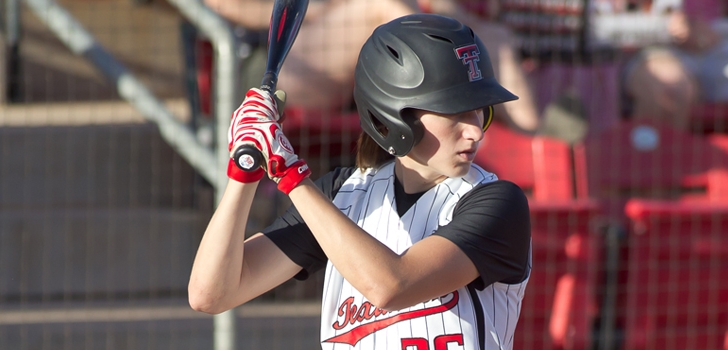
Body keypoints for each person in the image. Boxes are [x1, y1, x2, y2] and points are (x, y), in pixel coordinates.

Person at [188, 13, 532, 350]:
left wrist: (289, 173)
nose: (474, 130)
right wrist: (245, 168)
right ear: (395, 116)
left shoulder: (498, 204)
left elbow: (390, 286)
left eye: (479, 111)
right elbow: (211, 293)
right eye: (455, 112)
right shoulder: (344, 195)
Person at [200, 0, 542, 134]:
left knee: (494, 36)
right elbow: (228, 5)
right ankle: (457, 95)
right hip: (275, 63)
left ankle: (537, 137)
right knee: (379, 5)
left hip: (352, 47)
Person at [620, 0, 728, 130]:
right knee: (669, 92)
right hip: (654, 47)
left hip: (724, 39)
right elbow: (603, 24)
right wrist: (665, 27)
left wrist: (703, 29)